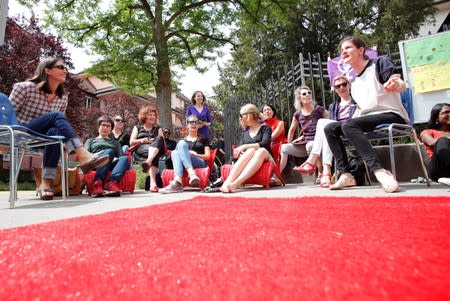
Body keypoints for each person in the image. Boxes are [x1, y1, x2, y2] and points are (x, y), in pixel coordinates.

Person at [8, 57, 109, 201]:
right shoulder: (24, 88)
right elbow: (8, 115)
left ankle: (45, 184)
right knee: (55, 116)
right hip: (22, 131)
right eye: (60, 67)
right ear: (47, 70)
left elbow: (59, 125)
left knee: (55, 133)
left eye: (65, 68)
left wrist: (66, 142)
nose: (65, 71)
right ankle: (82, 154)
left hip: (44, 138)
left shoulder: (63, 97)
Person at [324, 36, 409, 193]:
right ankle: (346, 174)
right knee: (330, 128)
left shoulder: (379, 63)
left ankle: (379, 171)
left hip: (391, 114)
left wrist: (398, 84)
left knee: (349, 124)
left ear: (361, 50)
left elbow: (399, 82)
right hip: (370, 119)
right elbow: (362, 111)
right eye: (342, 50)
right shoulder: (354, 84)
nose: (343, 52)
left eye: (348, 48)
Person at [294, 76, 357, 188]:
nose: (341, 87)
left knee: (323, 123)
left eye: (344, 84)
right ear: (335, 89)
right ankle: (326, 173)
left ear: (349, 85)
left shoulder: (356, 101)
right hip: (336, 132)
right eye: (338, 86)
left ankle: (313, 163)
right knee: (328, 130)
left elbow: (358, 118)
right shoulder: (333, 107)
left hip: (351, 129)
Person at [220, 104, 272, 193]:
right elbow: (239, 151)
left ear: (250, 115)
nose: (240, 118)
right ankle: (227, 182)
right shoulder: (245, 134)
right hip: (250, 159)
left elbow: (265, 144)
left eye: (241, 115)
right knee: (251, 150)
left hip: (267, 157)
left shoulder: (266, 128)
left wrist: (245, 146)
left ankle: (237, 183)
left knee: (260, 150)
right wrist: (240, 153)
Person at [279, 85, 328, 176]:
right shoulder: (298, 114)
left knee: (310, 145)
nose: (308, 95)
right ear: (300, 98)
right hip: (304, 144)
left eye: (309, 93)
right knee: (284, 148)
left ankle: (321, 173)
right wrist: (290, 142)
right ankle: (278, 175)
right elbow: (291, 130)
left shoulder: (320, 110)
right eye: (304, 94)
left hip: (319, 144)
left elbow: (329, 123)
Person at [160, 115, 211, 193]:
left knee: (178, 148)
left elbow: (208, 156)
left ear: (198, 125)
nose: (193, 124)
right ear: (187, 125)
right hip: (185, 162)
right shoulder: (183, 141)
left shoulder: (204, 139)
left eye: (196, 122)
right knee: (176, 151)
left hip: (199, 161)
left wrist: (195, 155)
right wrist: (187, 153)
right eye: (191, 122)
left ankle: (181, 179)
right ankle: (180, 179)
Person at [85, 116, 130, 197]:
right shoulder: (91, 141)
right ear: (98, 127)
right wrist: (98, 156)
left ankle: (112, 183)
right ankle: (98, 183)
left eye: (108, 126)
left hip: (112, 164)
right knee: (109, 151)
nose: (105, 128)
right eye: (103, 125)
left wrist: (113, 158)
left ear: (111, 129)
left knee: (124, 158)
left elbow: (120, 157)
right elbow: (86, 155)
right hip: (96, 163)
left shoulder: (115, 143)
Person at [129, 106, 165, 192]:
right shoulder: (137, 127)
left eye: (154, 115)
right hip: (141, 149)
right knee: (153, 154)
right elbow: (131, 141)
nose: (153, 117)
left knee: (159, 139)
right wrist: (142, 140)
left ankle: (148, 162)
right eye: (150, 115)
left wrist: (153, 141)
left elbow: (162, 142)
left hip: (155, 149)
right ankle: (153, 183)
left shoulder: (158, 128)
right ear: (144, 116)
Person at [419, 103, 450, 186]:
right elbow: (431, 142)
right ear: (436, 117)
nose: (449, 114)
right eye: (446, 112)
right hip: (437, 170)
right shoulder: (428, 132)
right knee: (442, 140)